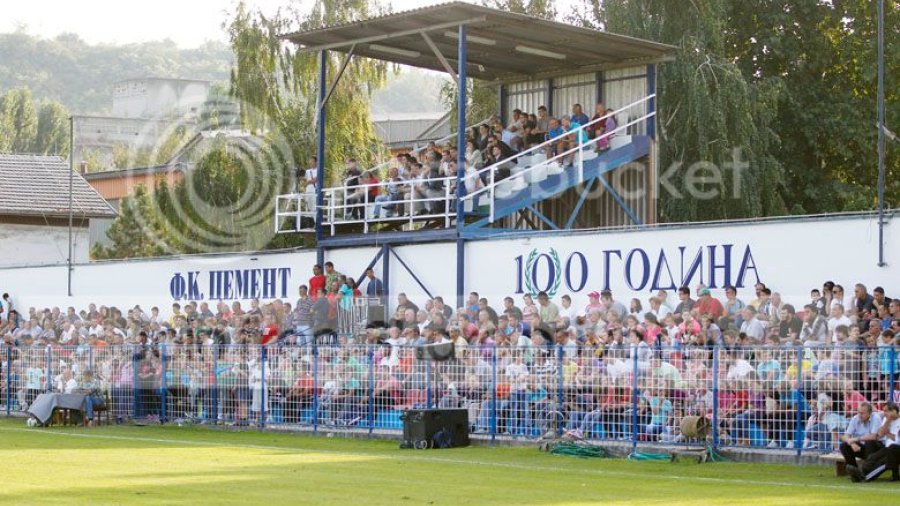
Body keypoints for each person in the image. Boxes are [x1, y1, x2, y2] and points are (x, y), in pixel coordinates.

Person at [847, 402, 900, 482]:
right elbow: (880, 434)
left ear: (895, 411)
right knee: (872, 457)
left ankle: (865, 477)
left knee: (883, 461)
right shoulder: (886, 419)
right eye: (884, 411)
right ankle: (861, 472)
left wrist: (889, 433)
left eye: (887, 411)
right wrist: (888, 421)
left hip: (895, 449)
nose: (885, 413)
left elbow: (896, 440)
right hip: (888, 448)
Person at [839, 402, 884, 469]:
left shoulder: (876, 418)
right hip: (862, 448)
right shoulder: (855, 418)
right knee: (844, 446)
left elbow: (874, 436)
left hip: (876, 449)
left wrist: (856, 439)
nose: (859, 415)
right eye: (858, 412)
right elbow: (845, 436)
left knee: (869, 442)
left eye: (862, 413)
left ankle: (867, 469)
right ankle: (853, 469)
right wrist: (852, 444)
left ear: (870, 413)